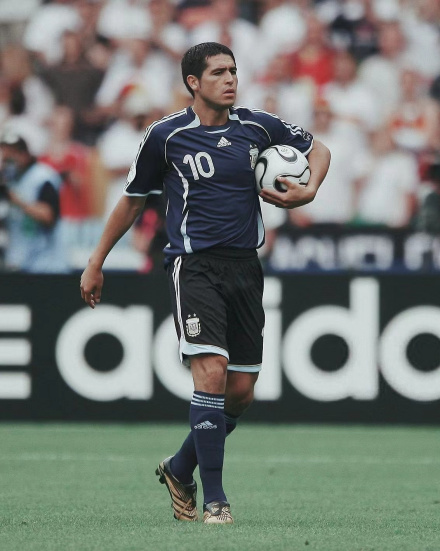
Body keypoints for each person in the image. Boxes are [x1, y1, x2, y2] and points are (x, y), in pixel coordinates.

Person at [80, 42, 330, 524]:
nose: (230, 79)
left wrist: (310, 189)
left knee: (240, 391)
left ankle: (179, 467)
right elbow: (132, 200)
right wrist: (97, 261)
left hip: (246, 267)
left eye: (233, 70)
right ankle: (215, 500)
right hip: (193, 267)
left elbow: (319, 150)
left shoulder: (258, 125)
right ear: (193, 82)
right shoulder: (166, 136)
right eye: (218, 72)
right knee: (211, 371)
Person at [0, 131, 68, 273]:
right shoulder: (10, 180)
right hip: (19, 262)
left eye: (12, 155)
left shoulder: (43, 177)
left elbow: (48, 216)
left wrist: (16, 200)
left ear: (24, 154)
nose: (8, 161)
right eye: (5, 156)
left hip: (46, 264)